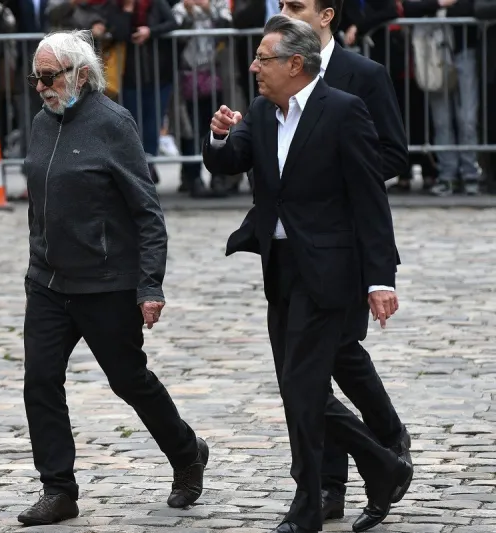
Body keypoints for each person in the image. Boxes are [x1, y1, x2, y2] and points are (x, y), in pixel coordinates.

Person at [203, 15, 412, 533]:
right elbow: (229, 163)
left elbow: (370, 199)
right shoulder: (260, 109)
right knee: (299, 388)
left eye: (263, 59)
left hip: (330, 270)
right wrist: (218, 135)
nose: (254, 67)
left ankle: (309, 505)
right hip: (282, 269)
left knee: (302, 386)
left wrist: (379, 278)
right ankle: (383, 465)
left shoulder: (342, 110)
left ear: (295, 64)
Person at [17, 29, 208, 526]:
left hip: (105, 284)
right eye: (35, 78)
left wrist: (149, 284)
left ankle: (187, 452)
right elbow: (40, 200)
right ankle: (58, 490)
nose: (40, 87)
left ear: (81, 75)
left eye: (48, 77)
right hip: (48, 283)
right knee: (40, 382)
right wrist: (36, 262)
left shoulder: (112, 124)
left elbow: (148, 212)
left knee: (129, 380)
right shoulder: (42, 120)